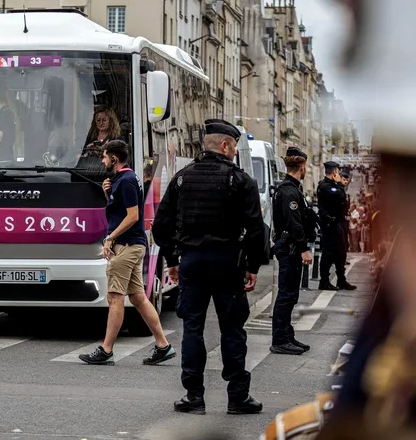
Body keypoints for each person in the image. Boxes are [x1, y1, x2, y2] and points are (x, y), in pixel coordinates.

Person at [152, 118, 265, 416]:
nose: (235, 152)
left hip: (192, 261)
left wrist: (173, 261)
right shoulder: (241, 181)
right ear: (226, 145)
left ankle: (193, 396)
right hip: (228, 263)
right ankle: (238, 397)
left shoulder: (181, 178)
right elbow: (256, 230)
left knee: (192, 328)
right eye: (235, 147)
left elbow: (161, 226)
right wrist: (252, 267)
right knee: (232, 330)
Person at [78, 140, 175, 366]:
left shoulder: (128, 180)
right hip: (130, 244)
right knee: (139, 298)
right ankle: (163, 346)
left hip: (128, 246)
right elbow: (120, 212)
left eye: (104, 157)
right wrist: (107, 195)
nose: (102, 161)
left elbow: (133, 216)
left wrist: (110, 239)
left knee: (114, 297)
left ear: (114, 158)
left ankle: (106, 350)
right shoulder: (120, 180)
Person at [270, 147, 315, 355]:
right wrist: (304, 248)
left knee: (290, 294)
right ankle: (280, 339)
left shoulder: (291, 188)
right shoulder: (289, 191)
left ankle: (286, 335)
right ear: (302, 166)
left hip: (290, 247)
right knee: (286, 295)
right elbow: (294, 223)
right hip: (290, 248)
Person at [317, 162, 356, 290]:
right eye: (337, 171)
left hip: (338, 224)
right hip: (330, 225)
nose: (338, 174)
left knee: (341, 252)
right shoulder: (325, 186)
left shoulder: (332, 186)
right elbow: (339, 196)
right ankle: (324, 281)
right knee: (328, 253)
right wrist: (339, 184)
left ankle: (341, 279)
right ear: (334, 172)